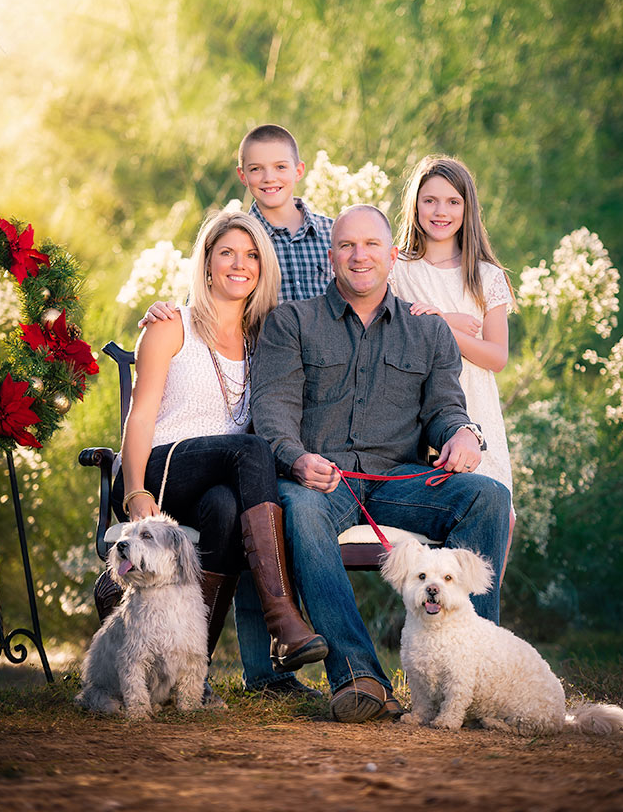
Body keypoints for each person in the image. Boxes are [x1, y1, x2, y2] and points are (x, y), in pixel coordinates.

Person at [250, 204, 512, 723]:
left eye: (371, 245)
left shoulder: (428, 332)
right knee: (299, 509)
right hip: (322, 480)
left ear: (392, 256)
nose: (359, 255)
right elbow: (272, 412)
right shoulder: (291, 323)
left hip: (398, 479)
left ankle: (476, 673)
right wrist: (298, 460)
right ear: (331, 258)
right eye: (347, 245)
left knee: (488, 496)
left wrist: (463, 434)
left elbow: (445, 409)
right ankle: (359, 676)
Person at [140, 124, 334, 699]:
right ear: (206, 262)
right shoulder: (173, 323)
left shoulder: (260, 337)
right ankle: (284, 618)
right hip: (166, 467)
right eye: (227, 253)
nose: (240, 263)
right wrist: (134, 496)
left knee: (226, 510)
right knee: (251, 450)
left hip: (221, 479)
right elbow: (140, 419)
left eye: (251, 256)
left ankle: (185, 672)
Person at [391, 155, 516, 494]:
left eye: (452, 202)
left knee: (495, 507)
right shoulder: (396, 268)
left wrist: (443, 325)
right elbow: (389, 330)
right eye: (429, 200)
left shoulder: (486, 275)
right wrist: (444, 324)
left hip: (475, 401)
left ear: (467, 208)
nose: (440, 211)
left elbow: (496, 356)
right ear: (415, 204)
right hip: (419, 406)